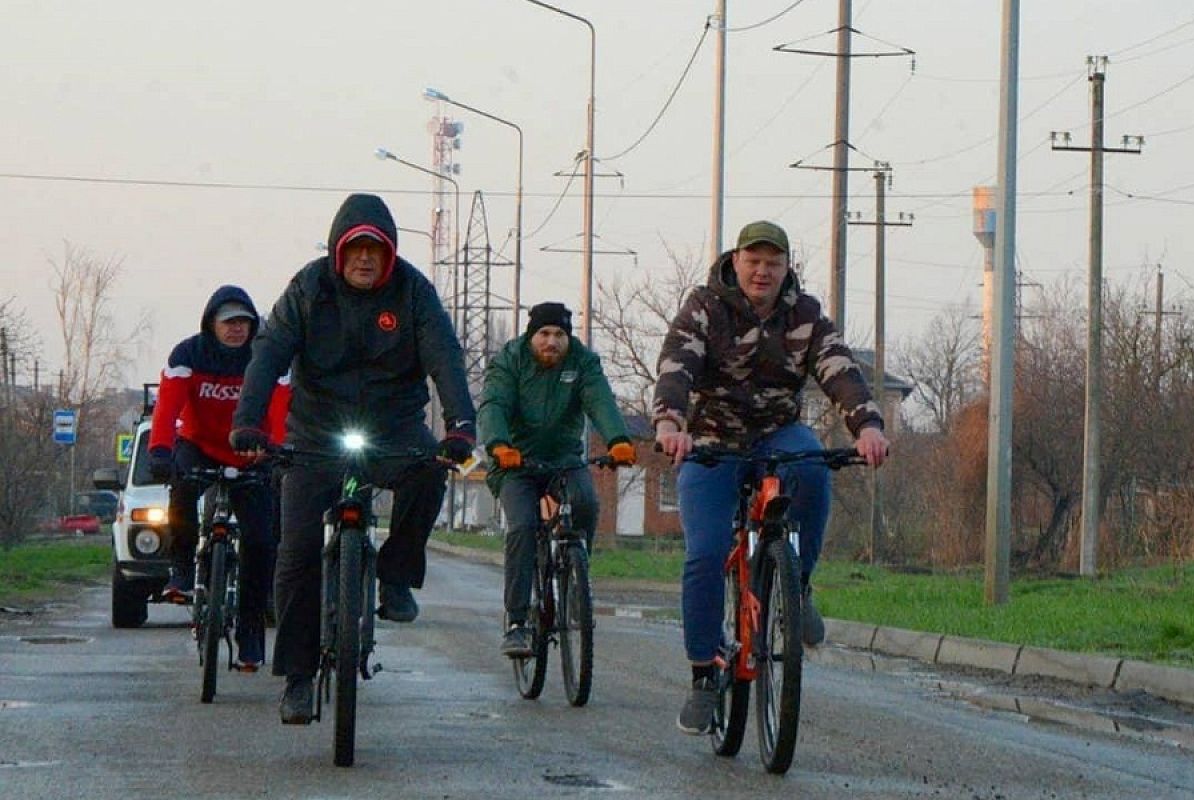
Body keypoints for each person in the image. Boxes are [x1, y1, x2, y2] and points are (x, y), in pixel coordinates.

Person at [230, 193, 476, 725]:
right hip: (316, 435)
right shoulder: (308, 288)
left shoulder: (413, 293)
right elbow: (269, 350)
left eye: (375, 249)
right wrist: (247, 422)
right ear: (339, 251)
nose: (365, 259)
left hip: (394, 430)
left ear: (389, 253)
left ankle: (395, 575)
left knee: (430, 476)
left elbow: (445, 359)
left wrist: (460, 427)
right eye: (355, 249)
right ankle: (297, 678)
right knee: (294, 553)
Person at [653, 220, 890, 735]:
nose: (762, 272)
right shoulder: (704, 307)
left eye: (773, 263)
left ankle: (795, 587)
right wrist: (670, 421)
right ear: (735, 261)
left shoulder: (804, 315)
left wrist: (868, 425)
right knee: (706, 552)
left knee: (812, 467)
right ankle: (702, 674)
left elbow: (839, 369)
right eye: (753, 261)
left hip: (777, 436)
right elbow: (677, 365)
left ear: (786, 269)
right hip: (712, 441)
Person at [477, 302, 637, 658]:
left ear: (569, 337)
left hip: (564, 460)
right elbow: (494, 404)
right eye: (545, 334)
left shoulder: (582, 361)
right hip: (515, 463)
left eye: (560, 335)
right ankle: (517, 622)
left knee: (586, 503)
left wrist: (618, 439)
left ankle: (576, 583)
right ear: (531, 335)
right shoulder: (510, 360)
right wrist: (499, 444)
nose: (552, 342)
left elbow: (600, 399)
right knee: (522, 526)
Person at [147, 285, 290, 672]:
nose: (236, 329)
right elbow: (168, 403)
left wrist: (276, 448)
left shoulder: (265, 356)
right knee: (182, 488)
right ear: (212, 323)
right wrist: (160, 449)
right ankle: (180, 570)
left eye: (243, 322)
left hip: (250, 452)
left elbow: (280, 405)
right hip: (200, 445)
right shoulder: (189, 354)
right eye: (228, 322)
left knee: (261, 541)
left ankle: (250, 634)